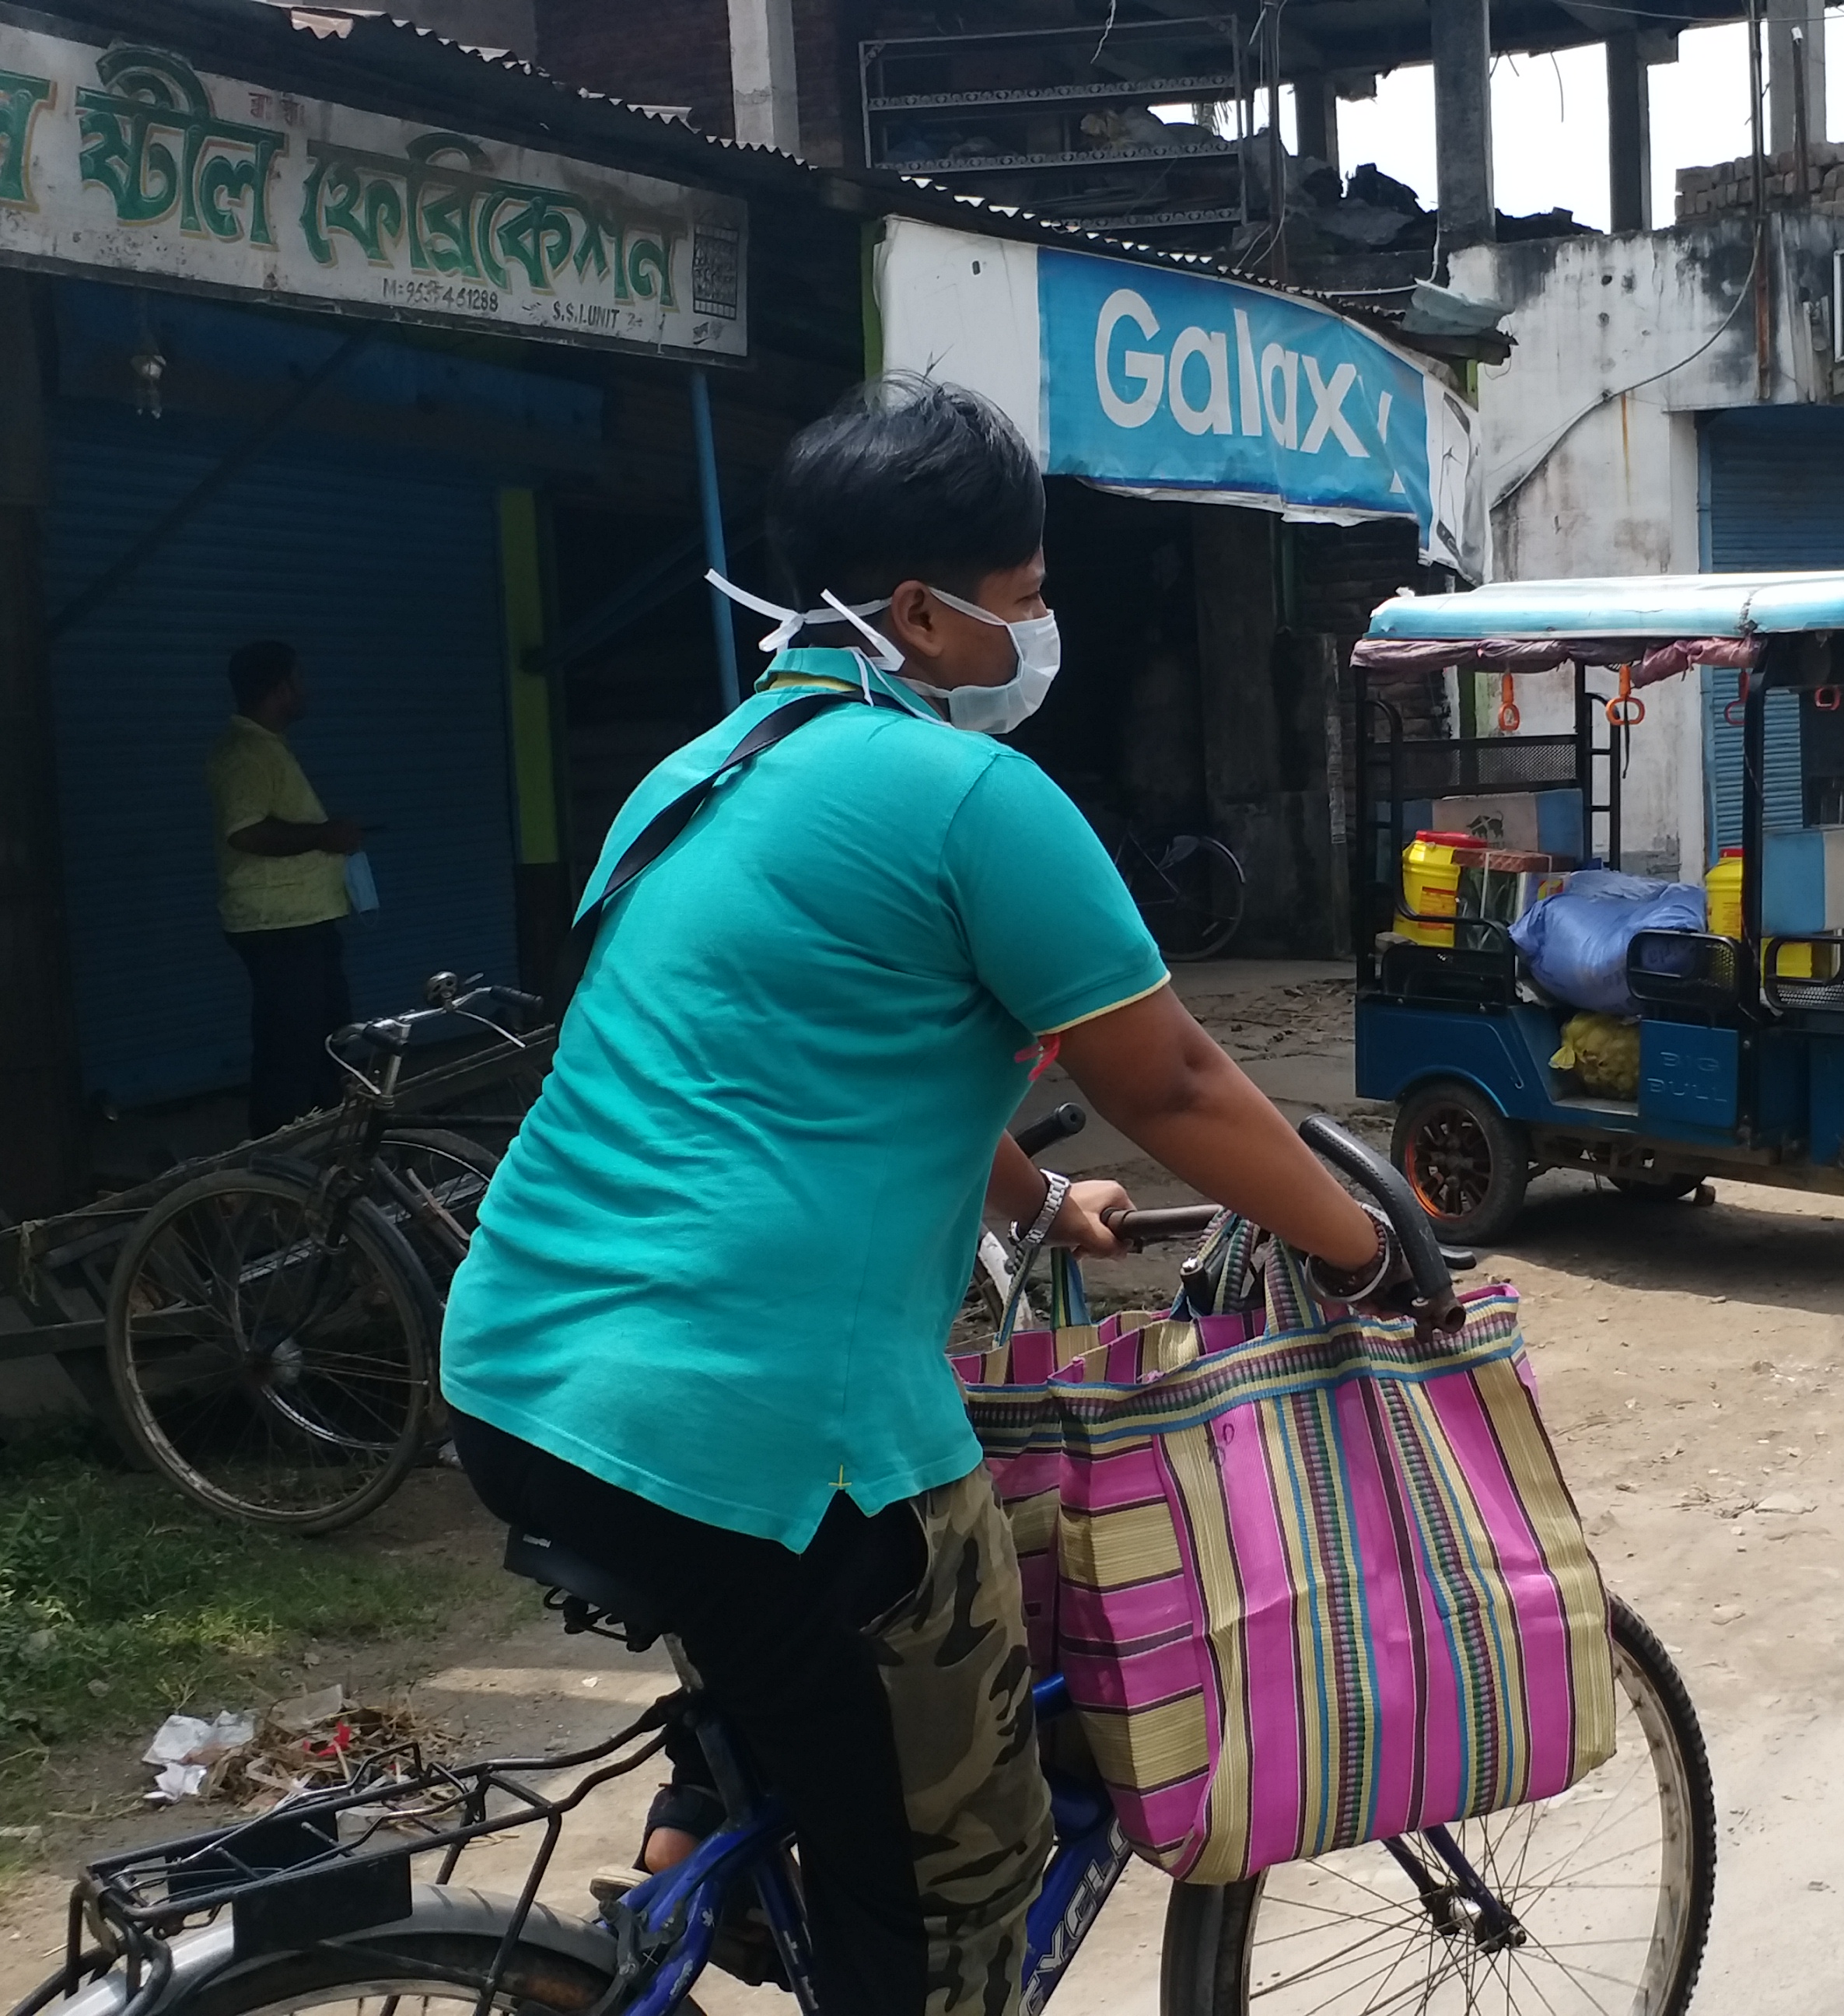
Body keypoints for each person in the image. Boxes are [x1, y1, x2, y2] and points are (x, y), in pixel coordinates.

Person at [436, 376, 1395, 2016]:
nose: (1043, 630)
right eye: (1025, 600)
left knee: (809, 1662)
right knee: (956, 1864)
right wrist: (1371, 1251)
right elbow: (1169, 1083)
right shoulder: (970, 799)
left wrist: (1032, 1207)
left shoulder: (702, 771)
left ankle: (676, 1885)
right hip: (757, 1410)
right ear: (918, 613)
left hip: (525, 1373)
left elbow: (825, 1065)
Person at [206, 640, 361, 1132]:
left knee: (324, 1043)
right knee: (288, 1050)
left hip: (304, 923)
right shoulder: (246, 755)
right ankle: (275, 1169)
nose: (305, 689)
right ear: (280, 689)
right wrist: (323, 836)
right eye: (300, 679)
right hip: (279, 929)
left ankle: (325, 1149)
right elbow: (245, 830)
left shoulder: (267, 747)